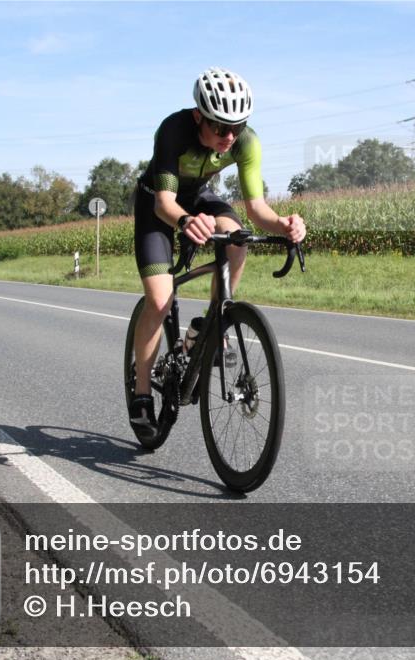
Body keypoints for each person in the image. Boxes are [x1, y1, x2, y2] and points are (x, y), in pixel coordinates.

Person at [128, 67, 306, 437]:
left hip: (199, 200)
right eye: (220, 128)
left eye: (236, 127)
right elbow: (164, 202)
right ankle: (142, 391)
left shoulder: (245, 142)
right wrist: (184, 223)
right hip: (159, 208)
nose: (229, 136)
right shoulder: (174, 130)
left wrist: (286, 225)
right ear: (198, 117)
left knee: (237, 236)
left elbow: (258, 210)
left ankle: (212, 325)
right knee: (160, 301)